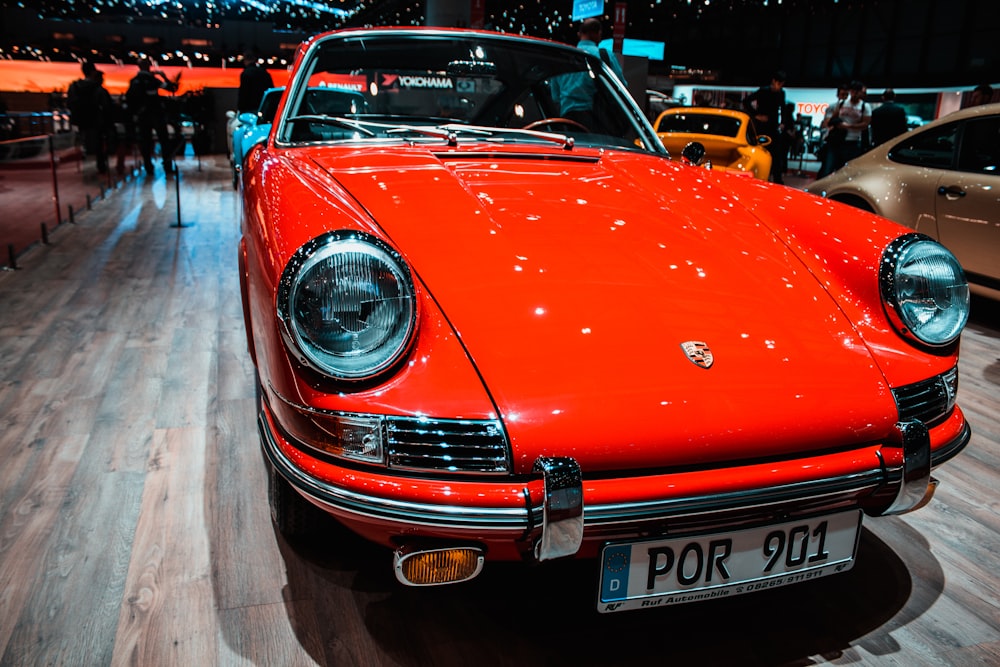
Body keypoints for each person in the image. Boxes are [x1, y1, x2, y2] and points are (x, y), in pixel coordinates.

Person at [549, 18, 625, 133]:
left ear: (579, 34)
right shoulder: (604, 56)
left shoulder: (562, 58)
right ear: (598, 33)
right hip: (598, 121)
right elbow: (621, 87)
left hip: (566, 120)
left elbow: (555, 96)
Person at [127, 57, 179, 175]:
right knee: (163, 140)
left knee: (146, 141)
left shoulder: (135, 81)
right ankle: (167, 167)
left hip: (144, 116)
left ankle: (149, 167)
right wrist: (163, 77)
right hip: (156, 114)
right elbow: (171, 88)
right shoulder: (152, 80)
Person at [67, 61, 114, 174]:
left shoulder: (74, 87)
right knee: (99, 143)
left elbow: (70, 103)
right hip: (97, 121)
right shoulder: (98, 89)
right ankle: (101, 165)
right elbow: (107, 106)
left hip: (81, 120)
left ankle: (86, 163)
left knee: (85, 141)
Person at [743, 71, 787, 183]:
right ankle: (762, 178)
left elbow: (783, 109)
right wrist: (756, 115)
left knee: (776, 155)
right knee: (762, 151)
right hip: (762, 126)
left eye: (781, 84)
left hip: (773, 126)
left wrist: (783, 122)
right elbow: (746, 101)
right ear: (773, 81)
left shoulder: (781, 93)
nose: (779, 86)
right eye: (778, 83)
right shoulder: (763, 91)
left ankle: (778, 180)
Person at [815, 84, 848, 179]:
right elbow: (827, 123)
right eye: (842, 94)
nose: (844, 97)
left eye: (846, 95)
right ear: (838, 95)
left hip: (847, 141)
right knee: (827, 168)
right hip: (833, 140)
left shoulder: (852, 108)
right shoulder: (832, 107)